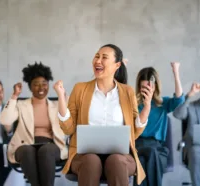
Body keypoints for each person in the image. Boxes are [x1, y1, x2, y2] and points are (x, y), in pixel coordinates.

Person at [53, 44, 153, 186]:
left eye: (104, 57)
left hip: (121, 157)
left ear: (117, 65)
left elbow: (134, 133)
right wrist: (61, 98)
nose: (98, 61)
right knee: (91, 161)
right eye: (96, 56)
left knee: (116, 161)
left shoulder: (127, 92)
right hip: (84, 156)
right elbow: (68, 129)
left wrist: (147, 107)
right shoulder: (80, 89)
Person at [0, 62, 68, 186]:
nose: (41, 88)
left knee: (46, 150)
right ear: (30, 87)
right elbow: (5, 120)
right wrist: (15, 96)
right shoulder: (21, 105)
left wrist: (61, 96)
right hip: (25, 145)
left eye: (44, 84)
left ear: (48, 85)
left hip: (51, 145)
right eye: (36, 84)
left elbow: (67, 121)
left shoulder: (57, 105)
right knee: (27, 151)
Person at [134, 63, 185, 186]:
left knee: (147, 157)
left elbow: (179, 99)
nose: (146, 91)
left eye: (149, 87)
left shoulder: (162, 104)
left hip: (158, 148)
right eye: (143, 88)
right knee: (143, 158)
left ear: (155, 87)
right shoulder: (134, 105)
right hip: (138, 147)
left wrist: (175, 72)